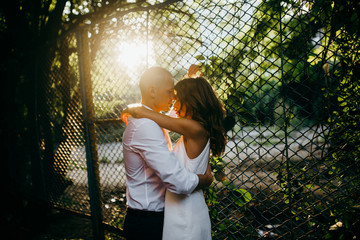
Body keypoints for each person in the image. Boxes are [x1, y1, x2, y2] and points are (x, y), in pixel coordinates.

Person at [124, 66, 227, 240]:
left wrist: (138, 109)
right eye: (171, 92)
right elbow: (179, 182)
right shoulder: (146, 125)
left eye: (177, 96)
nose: (173, 99)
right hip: (149, 220)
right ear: (152, 91)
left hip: (176, 212)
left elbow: (171, 117)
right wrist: (205, 180)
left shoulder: (179, 125)